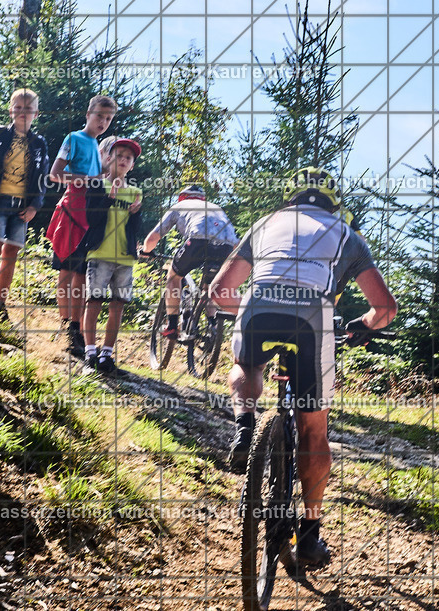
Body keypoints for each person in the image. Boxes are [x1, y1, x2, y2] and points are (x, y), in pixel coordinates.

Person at [209, 167, 397, 569]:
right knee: (314, 430)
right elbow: (385, 308)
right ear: (333, 202)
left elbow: (220, 291)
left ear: (290, 197)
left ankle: (245, 427)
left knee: (246, 363)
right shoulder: (347, 234)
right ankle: (309, 536)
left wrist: (248, 307)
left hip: (259, 303)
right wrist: (363, 325)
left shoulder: (266, 223)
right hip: (312, 317)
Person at [46, 95, 118, 356]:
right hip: (71, 212)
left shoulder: (97, 146)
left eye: (108, 119)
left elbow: (97, 181)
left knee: (80, 274)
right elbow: (55, 174)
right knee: (67, 271)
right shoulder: (73, 138)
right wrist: (89, 179)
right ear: (88, 114)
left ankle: (75, 328)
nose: (103, 122)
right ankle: (66, 325)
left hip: (90, 217)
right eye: (99, 116)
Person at [0, 88, 48, 321]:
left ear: (36, 114)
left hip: (22, 207)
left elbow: (42, 178)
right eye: (18, 107)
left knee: (11, 253)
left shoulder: (39, 143)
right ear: (11, 110)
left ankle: (0, 302)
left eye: (28, 109)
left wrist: (35, 205)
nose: (23, 112)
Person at [140, 184, 240, 339]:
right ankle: (212, 325)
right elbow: (235, 242)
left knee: (174, 276)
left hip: (198, 241)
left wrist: (146, 251)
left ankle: (172, 326)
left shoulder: (180, 206)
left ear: (182, 197)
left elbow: (154, 237)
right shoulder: (216, 208)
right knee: (210, 287)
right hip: (227, 247)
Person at [78, 137, 142, 375]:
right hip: (100, 253)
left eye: (128, 158)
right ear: (108, 158)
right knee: (94, 301)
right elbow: (91, 218)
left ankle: (107, 355)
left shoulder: (135, 192)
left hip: (125, 258)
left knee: (118, 306)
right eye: (119, 156)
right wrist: (109, 198)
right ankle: (90, 354)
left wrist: (135, 214)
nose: (123, 160)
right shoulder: (97, 185)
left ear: (132, 165)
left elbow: (135, 229)